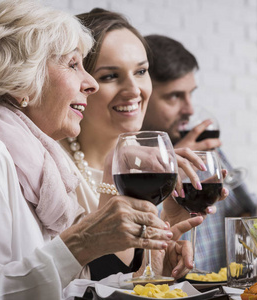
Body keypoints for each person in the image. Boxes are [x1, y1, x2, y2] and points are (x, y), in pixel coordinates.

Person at [0, 1, 197, 298]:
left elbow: (66, 290)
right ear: (21, 84)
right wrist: (78, 245)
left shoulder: (41, 164)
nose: (89, 83)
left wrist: (154, 265)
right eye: (72, 64)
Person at [59, 9, 228, 281]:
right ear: (82, 83)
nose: (134, 90)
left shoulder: (144, 173)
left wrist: (163, 249)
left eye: (141, 71)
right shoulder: (50, 171)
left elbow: (128, 283)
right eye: (110, 76)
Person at [141, 34, 257, 272]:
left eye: (190, 93)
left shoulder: (205, 150)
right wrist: (169, 164)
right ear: (142, 93)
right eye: (174, 96)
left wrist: (244, 275)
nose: (190, 109)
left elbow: (244, 214)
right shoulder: (128, 164)